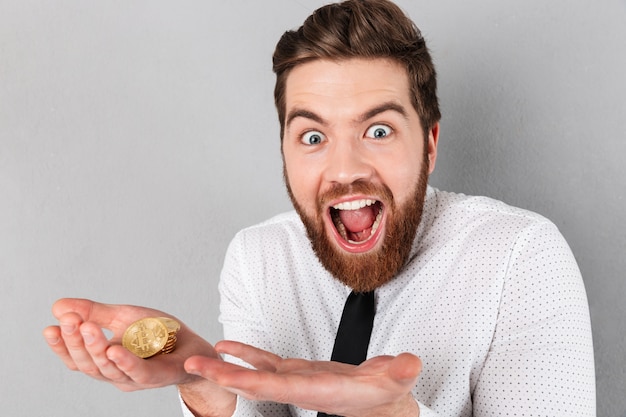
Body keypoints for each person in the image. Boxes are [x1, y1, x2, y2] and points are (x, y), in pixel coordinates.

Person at [43, 1, 596, 416]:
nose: (344, 169)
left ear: (429, 144)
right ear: (283, 149)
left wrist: (398, 416)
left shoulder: (519, 256)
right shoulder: (259, 258)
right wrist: (206, 383)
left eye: (378, 130)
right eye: (312, 137)